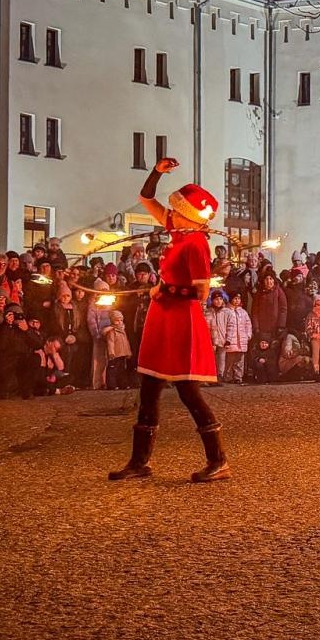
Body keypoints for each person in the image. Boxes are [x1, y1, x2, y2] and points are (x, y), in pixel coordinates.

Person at [109, 156, 230, 483]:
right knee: (148, 387)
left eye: (176, 210)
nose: (169, 214)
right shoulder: (178, 232)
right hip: (163, 320)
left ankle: (218, 460)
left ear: (189, 216)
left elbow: (200, 293)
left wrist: (165, 291)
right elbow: (147, 198)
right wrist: (156, 173)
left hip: (181, 322)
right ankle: (139, 462)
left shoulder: (196, 245)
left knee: (188, 391)